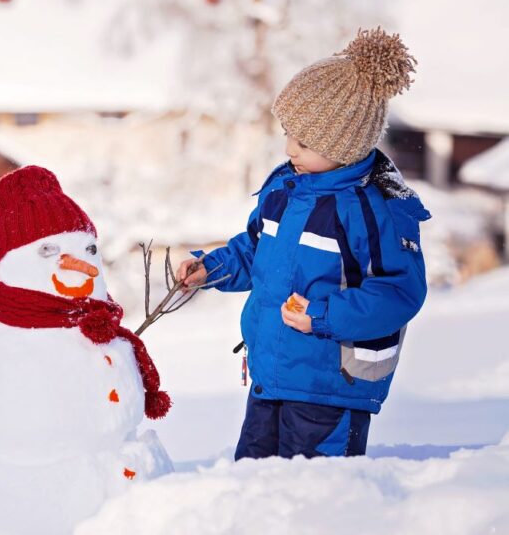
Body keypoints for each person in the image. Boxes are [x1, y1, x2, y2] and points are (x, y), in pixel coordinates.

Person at [177, 28, 430, 459]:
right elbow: (257, 249)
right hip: (271, 374)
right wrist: (211, 268)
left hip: (329, 387)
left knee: (315, 499)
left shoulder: (371, 209)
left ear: (344, 143)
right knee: (255, 489)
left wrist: (323, 316)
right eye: (288, 133)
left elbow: (398, 292)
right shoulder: (286, 189)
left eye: (305, 140)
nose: (289, 147)